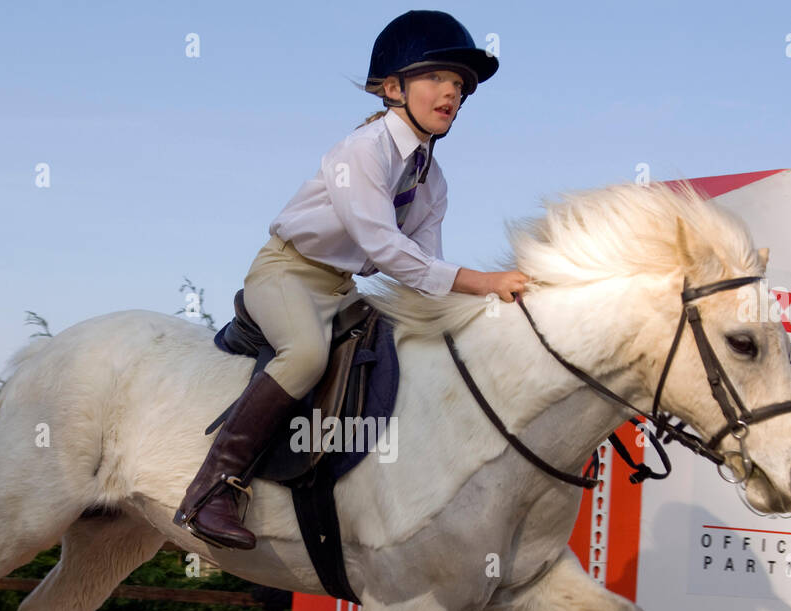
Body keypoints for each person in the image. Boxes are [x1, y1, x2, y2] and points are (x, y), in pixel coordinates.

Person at [174, 10, 531, 550]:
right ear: (393, 88)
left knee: (402, 350)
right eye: (437, 77)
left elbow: (424, 269)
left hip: (340, 288)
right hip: (287, 272)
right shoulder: (363, 151)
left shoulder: (432, 180)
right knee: (305, 356)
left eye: (460, 85)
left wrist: (483, 317)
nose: (451, 92)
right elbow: (385, 248)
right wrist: (482, 282)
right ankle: (211, 491)